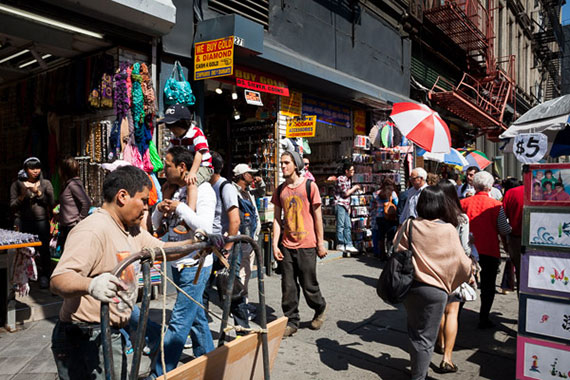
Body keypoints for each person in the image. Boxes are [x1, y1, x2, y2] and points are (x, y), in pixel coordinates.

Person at [50, 165, 193, 379]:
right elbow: (59, 279)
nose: (146, 208)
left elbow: (162, 250)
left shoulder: (131, 229)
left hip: (110, 332)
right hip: (85, 336)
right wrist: (90, 285)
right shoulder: (92, 230)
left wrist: (199, 244)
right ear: (123, 196)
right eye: (143, 200)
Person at [150, 147, 216, 376]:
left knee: (179, 322)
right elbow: (156, 223)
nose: (163, 169)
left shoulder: (204, 191)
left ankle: (159, 372)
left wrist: (180, 207)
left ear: (182, 167)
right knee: (195, 318)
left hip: (195, 266)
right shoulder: (176, 191)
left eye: (167, 165)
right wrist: (161, 208)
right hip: (178, 264)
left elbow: (205, 228)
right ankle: (210, 361)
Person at [395, 186, 473, 380]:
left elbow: (396, 249)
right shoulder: (447, 229)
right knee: (426, 338)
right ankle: (419, 376)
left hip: (410, 286)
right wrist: (466, 275)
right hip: (436, 289)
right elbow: (462, 261)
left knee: (415, 332)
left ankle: (417, 370)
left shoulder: (409, 224)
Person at [272, 151, 327, 337]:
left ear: (295, 164)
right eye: (281, 163)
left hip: (307, 244)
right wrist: (274, 244)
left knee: (308, 284)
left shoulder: (310, 187)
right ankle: (291, 320)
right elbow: (277, 220)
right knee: (288, 286)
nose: (283, 166)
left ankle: (319, 307)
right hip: (287, 245)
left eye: (286, 162)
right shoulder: (280, 190)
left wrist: (320, 243)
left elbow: (318, 217)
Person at [461, 171, 511, 329]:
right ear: (490, 187)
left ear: (474, 185)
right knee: (488, 286)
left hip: (467, 250)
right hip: (489, 249)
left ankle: (455, 315)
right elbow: (504, 229)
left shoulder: (463, 203)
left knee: (463, 283)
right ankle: (483, 318)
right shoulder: (497, 206)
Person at [435, 180, 472, 373]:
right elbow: (465, 249)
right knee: (452, 312)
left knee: (440, 309)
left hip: (435, 269)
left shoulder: (432, 218)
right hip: (455, 269)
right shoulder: (461, 218)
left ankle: (440, 342)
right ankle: (447, 358)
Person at [10, 157, 55, 288]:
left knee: (44, 250)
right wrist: (22, 195)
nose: (35, 171)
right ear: (25, 170)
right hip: (23, 222)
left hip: (41, 222)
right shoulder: (17, 184)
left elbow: (51, 203)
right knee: (23, 251)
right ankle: (22, 279)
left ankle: (45, 276)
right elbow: (12, 205)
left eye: (37, 168)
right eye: (32, 168)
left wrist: (39, 193)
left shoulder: (46, 183)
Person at [160, 104, 213, 214]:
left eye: (174, 126)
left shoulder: (196, 133)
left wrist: (193, 173)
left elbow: (199, 154)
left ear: (183, 123)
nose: (172, 130)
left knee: (191, 184)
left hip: (203, 166)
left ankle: (189, 214)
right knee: (168, 186)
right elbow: (170, 153)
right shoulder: (175, 137)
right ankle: (165, 215)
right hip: (186, 168)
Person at [233, 163, 264, 310]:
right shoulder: (234, 191)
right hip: (241, 240)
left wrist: (260, 182)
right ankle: (239, 306)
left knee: (246, 272)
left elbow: (262, 192)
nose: (253, 176)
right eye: (250, 174)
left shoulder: (248, 191)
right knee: (240, 274)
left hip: (251, 238)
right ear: (243, 175)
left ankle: (243, 302)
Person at [57, 157, 91, 251]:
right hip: (66, 226)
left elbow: (87, 202)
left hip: (72, 226)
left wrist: (79, 220)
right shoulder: (68, 184)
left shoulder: (73, 184)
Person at [501, 178, 523, 293]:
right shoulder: (544, 192)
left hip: (516, 239)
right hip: (543, 241)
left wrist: (505, 241)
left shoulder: (511, 193)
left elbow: (502, 218)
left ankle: (523, 306)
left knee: (521, 274)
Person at [334, 162, 360, 253]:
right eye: (351, 170)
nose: (353, 172)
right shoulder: (341, 179)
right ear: (346, 171)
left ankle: (348, 244)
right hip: (340, 204)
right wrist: (355, 188)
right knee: (341, 225)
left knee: (348, 225)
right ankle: (340, 243)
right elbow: (345, 193)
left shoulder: (348, 180)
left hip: (346, 205)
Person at [371, 178, 398, 259]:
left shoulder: (376, 193)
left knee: (381, 236)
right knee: (390, 236)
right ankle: (389, 253)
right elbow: (397, 203)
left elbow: (371, 206)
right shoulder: (392, 193)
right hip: (390, 217)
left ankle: (381, 254)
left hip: (379, 217)